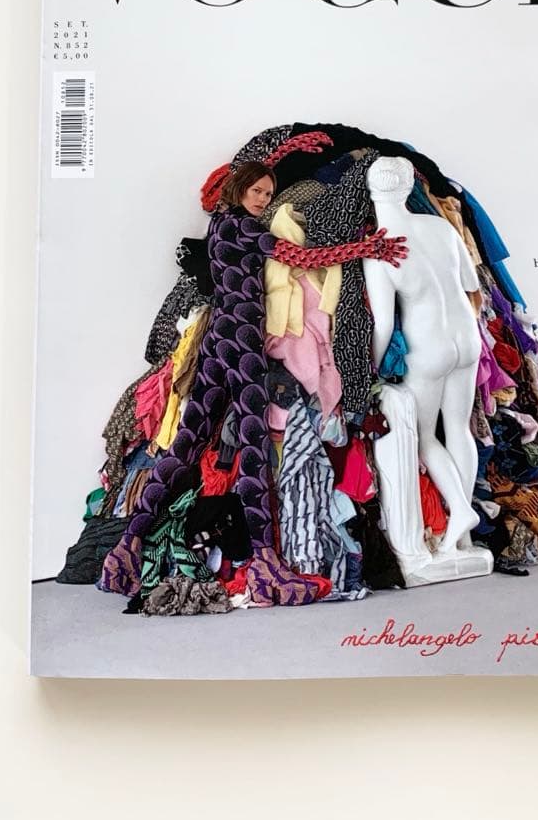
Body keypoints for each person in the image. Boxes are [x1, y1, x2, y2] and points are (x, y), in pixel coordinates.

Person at [100, 156, 408, 603]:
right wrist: (367, 248)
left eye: (267, 193)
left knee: (186, 444)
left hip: (216, 341)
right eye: (257, 191)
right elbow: (303, 257)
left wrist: (293, 148)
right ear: (240, 189)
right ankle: (266, 567)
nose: (263, 199)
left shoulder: (219, 224)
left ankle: (124, 549)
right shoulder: (246, 228)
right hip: (243, 343)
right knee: (255, 451)